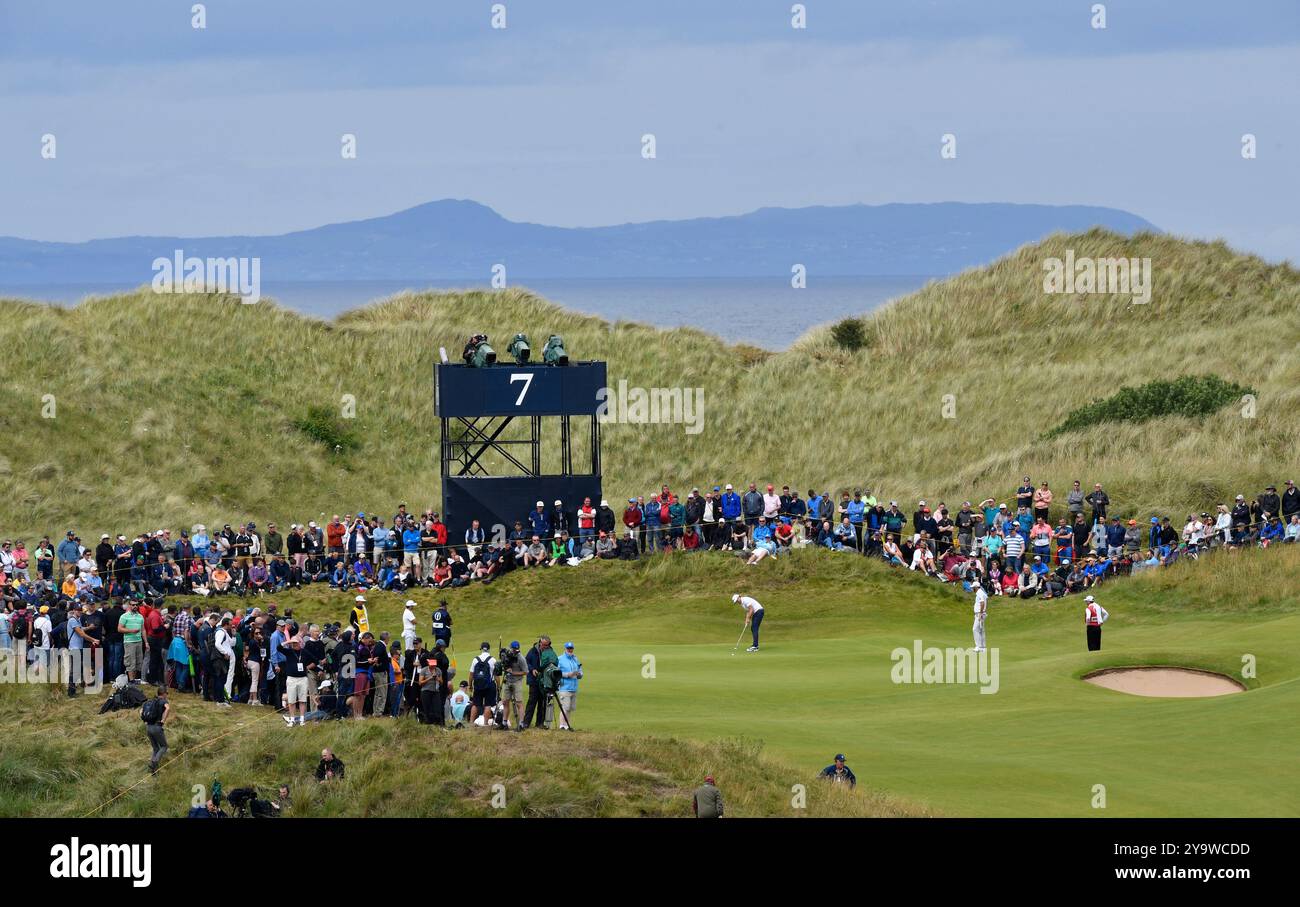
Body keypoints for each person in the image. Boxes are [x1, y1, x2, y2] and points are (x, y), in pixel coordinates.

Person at [142, 687, 171, 774]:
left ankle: (153, 770)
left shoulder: (150, 702)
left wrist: (145, 721)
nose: (167, 695)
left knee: (155, 748)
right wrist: (163, 721)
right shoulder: (163, 701)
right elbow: (168, 708)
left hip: (148, 727)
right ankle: (155, 761)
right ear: (164, 693)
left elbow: (141, 711)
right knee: (164, 746)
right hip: (156, 727)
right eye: (167, 693)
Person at [501, 641, 528, 731]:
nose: (514, 651)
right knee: (505, 701)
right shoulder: (508, 655)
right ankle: (504, 723)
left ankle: (521, 724)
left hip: (517, 682)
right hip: (507, 681)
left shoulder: (521, 658)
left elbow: (525, 672)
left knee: (518, 703)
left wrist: (513, 672)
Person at [469, 641, 498, 724]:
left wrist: (470, 685)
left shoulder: (475, 659)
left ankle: (471, 723)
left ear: (481, 649)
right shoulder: (492, 660)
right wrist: (498, 686)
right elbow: (496, 676)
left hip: (478, 684)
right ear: (489, 649)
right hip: (490, 685)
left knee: (475, 704)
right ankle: (485, 724)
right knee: (488, 704)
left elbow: (471, 674)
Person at [556, 641, 582, 731]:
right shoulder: (560, 659)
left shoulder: (575, 659)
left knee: (570, 708)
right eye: (568, 648)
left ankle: (567, 725)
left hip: (574, 687)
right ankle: (562, 725)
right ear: (565, 649)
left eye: (571, 648)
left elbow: (580, 669)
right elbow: (556, 673)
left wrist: (579, 674)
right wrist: (567, 674)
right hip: (564, 687)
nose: (570, 650)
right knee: (564, 707)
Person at [972, 581, 988, 652]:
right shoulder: (981, 592)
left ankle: (978, 646)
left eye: (973, 587)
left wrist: (980, 613)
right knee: (981, 630)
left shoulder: (980, 593)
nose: (972, 589)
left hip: (980, 614)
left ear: (976, 587)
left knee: (975, 629)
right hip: (980, 613)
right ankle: (983, 647)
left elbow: (982, 603)